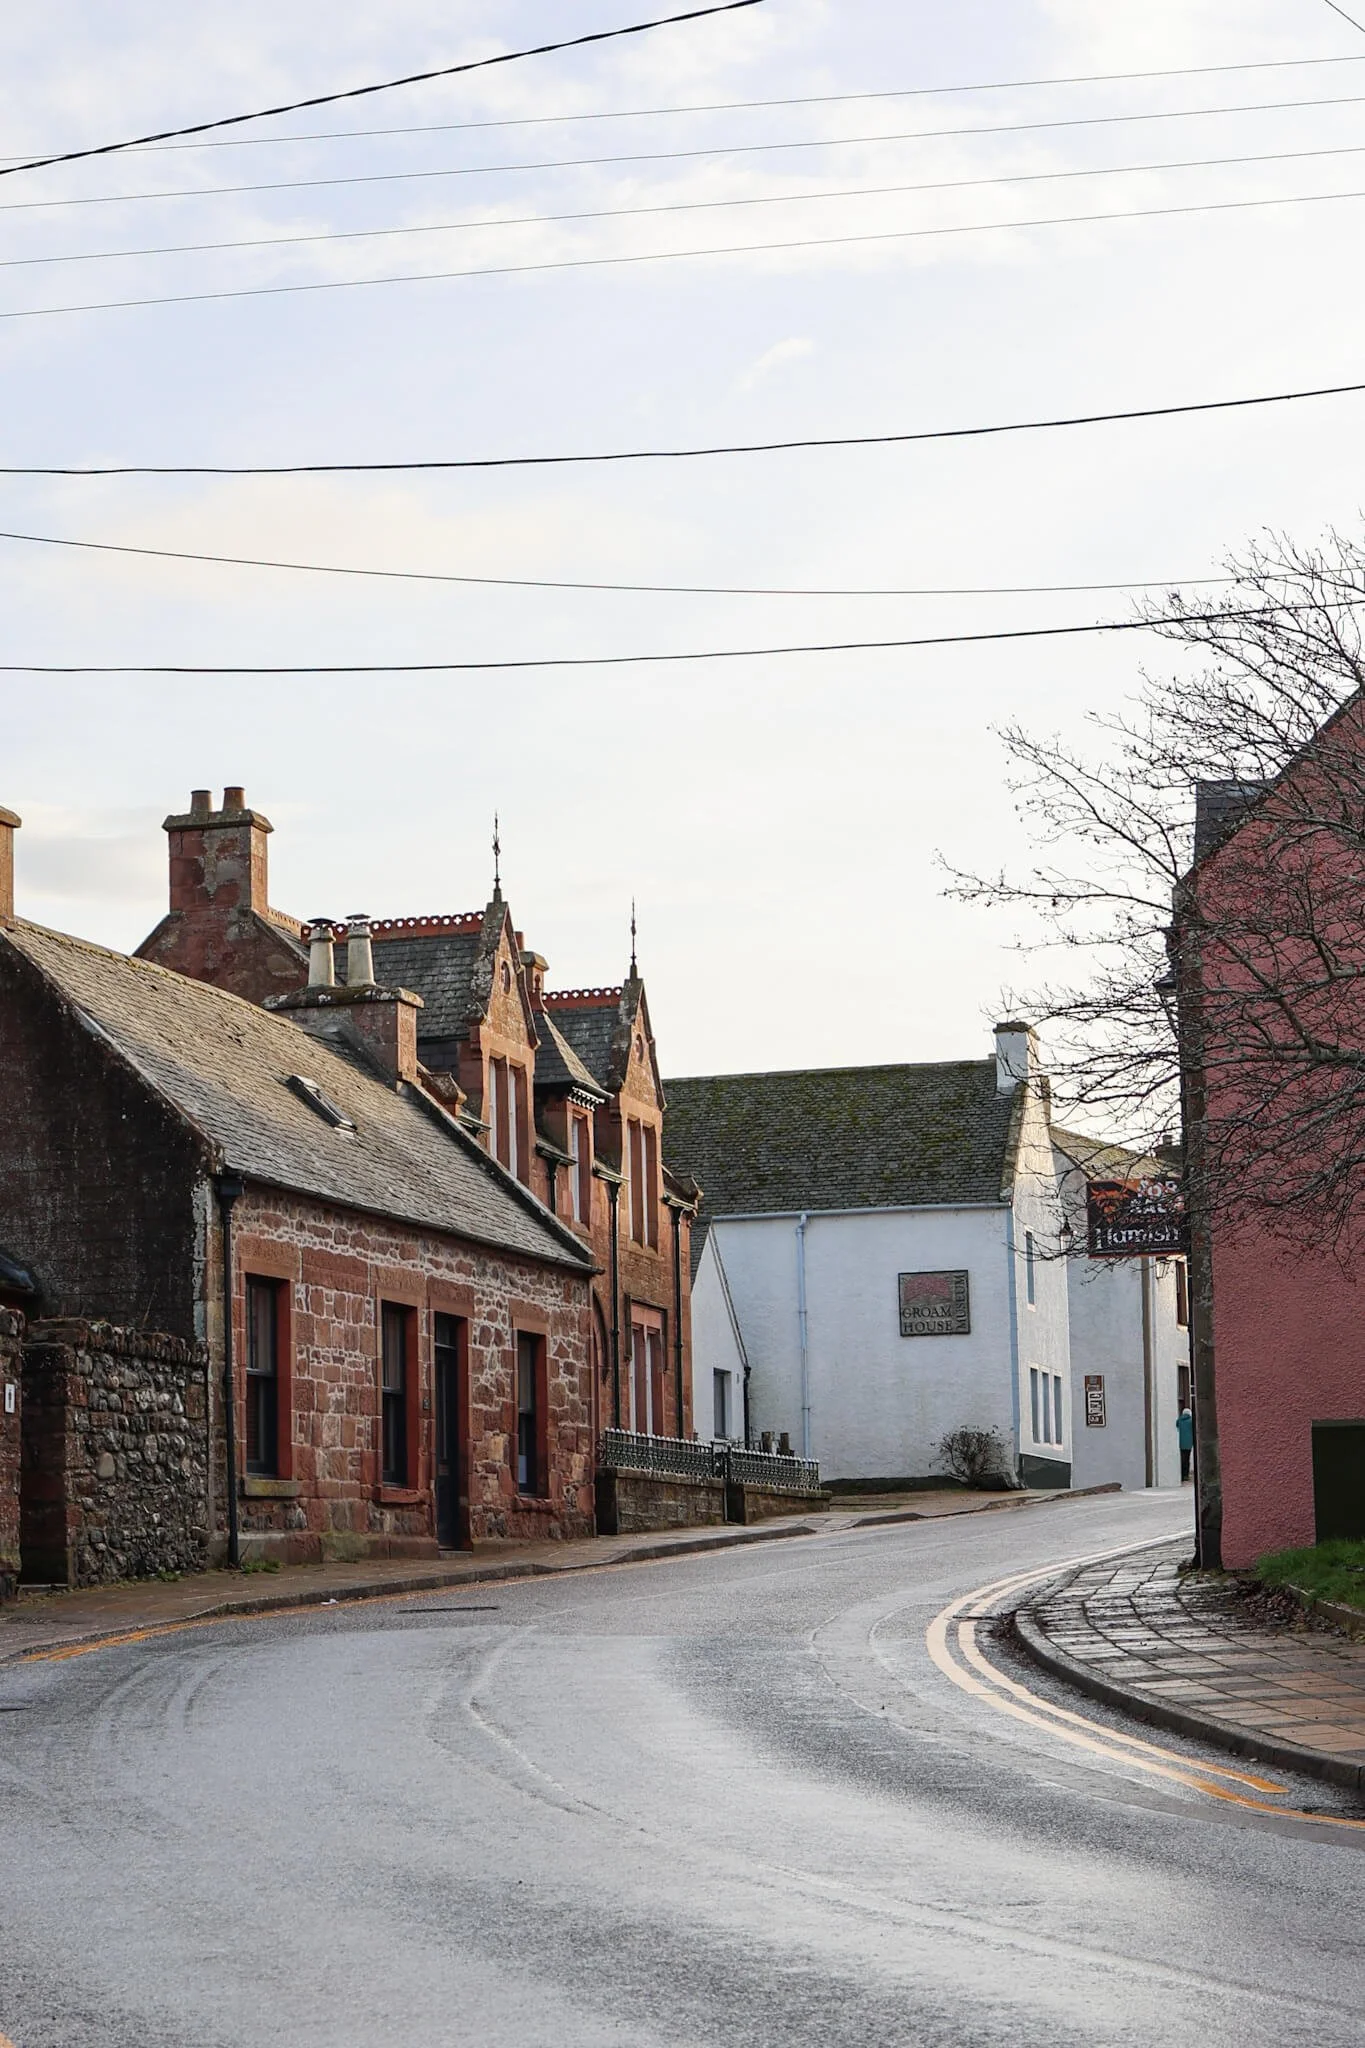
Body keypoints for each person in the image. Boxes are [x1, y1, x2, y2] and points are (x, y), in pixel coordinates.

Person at [1177, 1402, 1194, 1483]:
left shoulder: (1179, 1420)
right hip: (1189, 1443)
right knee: (1187, 1459)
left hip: (1180, 1443)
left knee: (1182, 1459)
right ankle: (1186, 1475)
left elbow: (1177, 1427)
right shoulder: (1191, 1421)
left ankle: (1181, 1475)